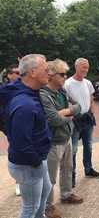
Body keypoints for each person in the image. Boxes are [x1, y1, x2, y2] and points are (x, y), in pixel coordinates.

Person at [0, 54, 52, 218]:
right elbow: (20, 144)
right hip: (28, 163)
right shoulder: (25, 104)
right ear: (33, 72)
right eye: (46, 69)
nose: (49, 73)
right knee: (30, 207)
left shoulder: (25, 89)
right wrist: (35, 161)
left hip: (36, 158)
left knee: (46, 189)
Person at [40, 59, 83, 218]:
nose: (66, 77)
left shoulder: (62, 91)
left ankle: (66, 194)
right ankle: (47, 206)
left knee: (68, 168)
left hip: (66, 137)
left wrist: (65, 112)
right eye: (62, 74)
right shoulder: (43, 94)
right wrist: (70, 114)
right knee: (50, 176)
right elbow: (54, 120)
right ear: (51, 75)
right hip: (53, 141)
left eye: (66, 74)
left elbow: (79, 106)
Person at [64, 58, 99, 188]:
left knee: (89, 145)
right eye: (83, 67)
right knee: (73, 149)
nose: (85, 70)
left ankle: (88, 169)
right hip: (75, 119)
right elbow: (65, 100)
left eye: (87, 67)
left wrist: (91, 110)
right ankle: (72, 177)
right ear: (76, 67)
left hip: (87, 118)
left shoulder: (87, 82)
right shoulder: (68, 83)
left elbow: (91, 96)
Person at [1, 64, 22, 196]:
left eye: (20, 72)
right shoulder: (4, 90)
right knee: (16, 152)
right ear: (9, 75)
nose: (18, 75)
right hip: (12, 128)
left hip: (26, 125)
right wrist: (5, 126)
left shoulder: (24, 88)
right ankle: (18, 182)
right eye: (15, 72)